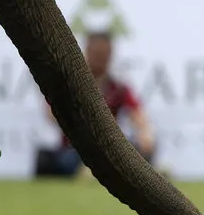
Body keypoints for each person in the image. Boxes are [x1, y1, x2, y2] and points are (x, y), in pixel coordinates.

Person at [34, 31, 156, 178]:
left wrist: (145, 133)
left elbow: (137, 115)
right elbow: (51, 114)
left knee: (134, 153)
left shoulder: (117, 86)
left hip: (111, 149)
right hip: (75, 150)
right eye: (96, 52)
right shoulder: (69, 83)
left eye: (105, 53)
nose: (101, 58)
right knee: (67, 159)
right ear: (86, 52)